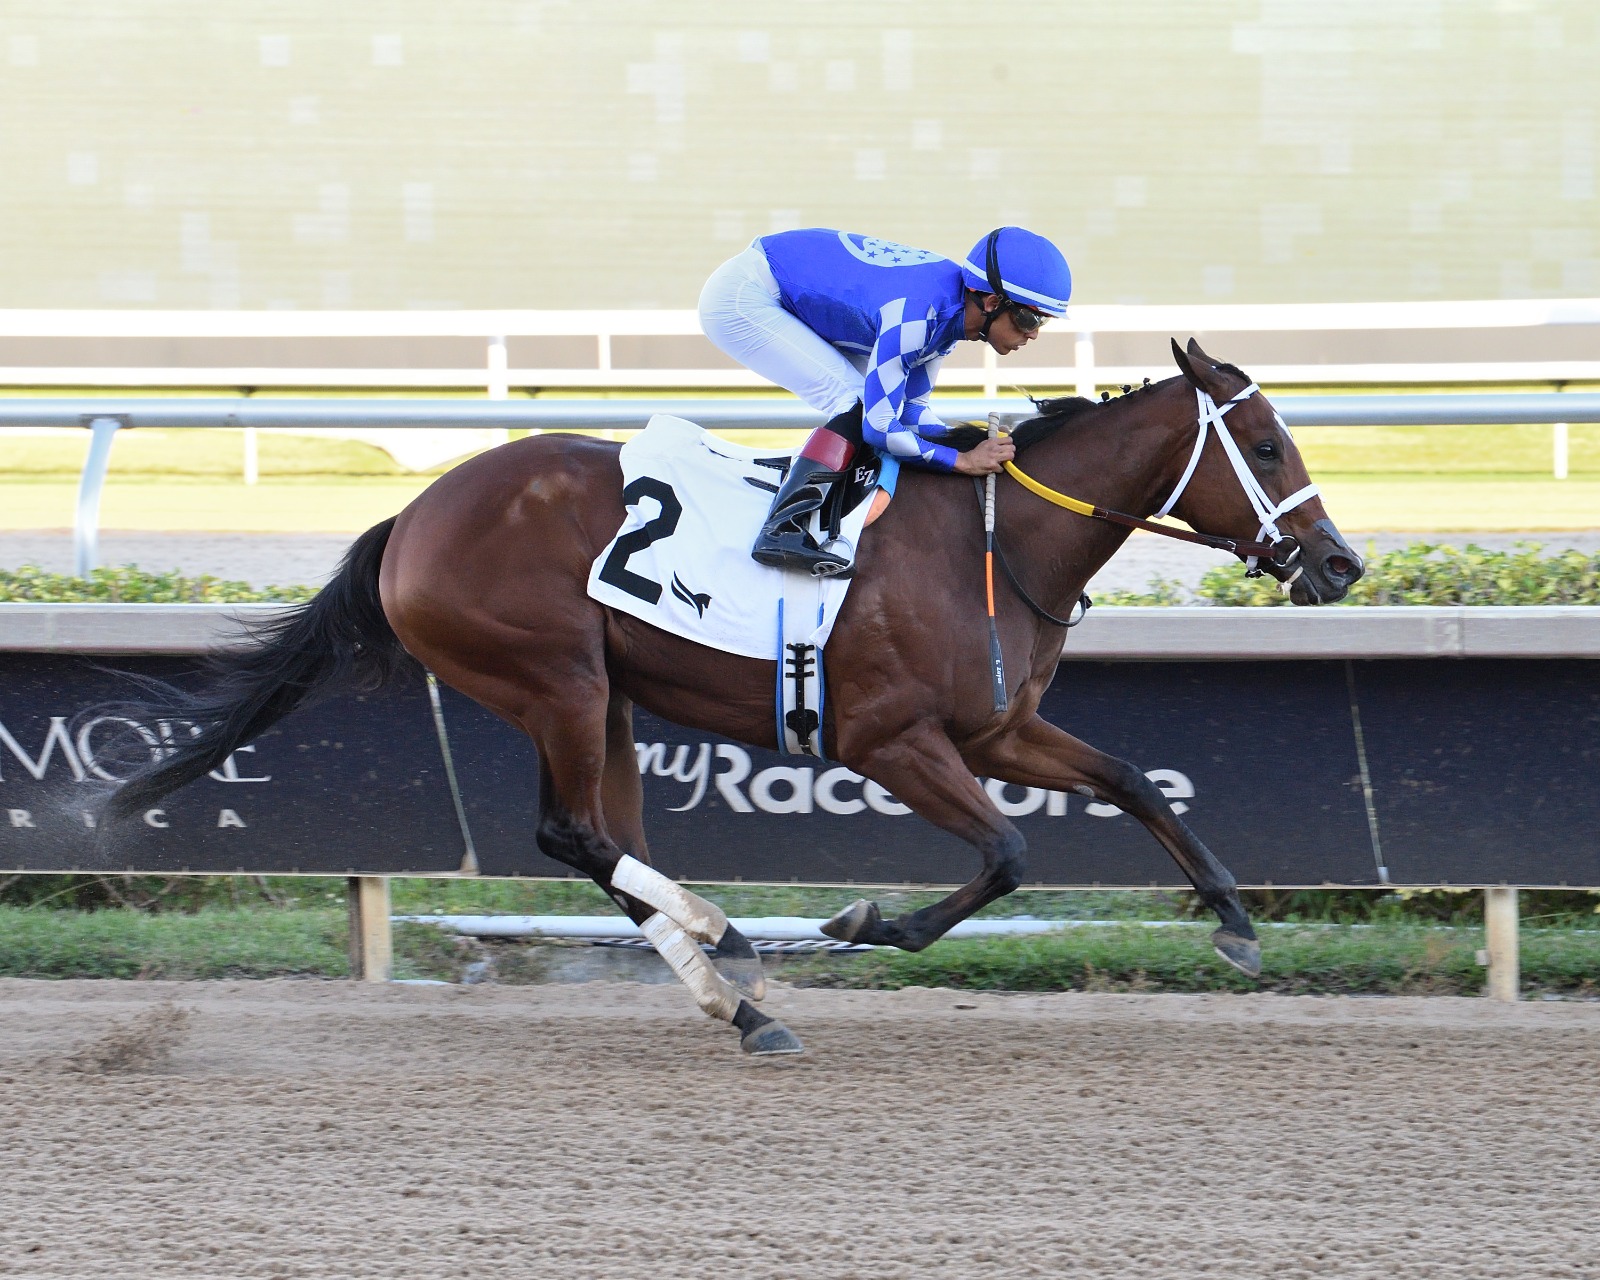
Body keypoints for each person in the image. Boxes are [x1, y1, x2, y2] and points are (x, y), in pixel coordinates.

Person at [698, 226, 1073, 575]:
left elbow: (912, 414)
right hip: (745, 295)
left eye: (1044, 322)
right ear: (991, 302)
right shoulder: (917, 316)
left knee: (871, 404)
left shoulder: (949, 320)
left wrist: (974, 446)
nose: (1035, 334)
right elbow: (878, 427)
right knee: (855, 402)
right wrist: (960, 461)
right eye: (1028, 319)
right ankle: (782, 529)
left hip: (787, 284)